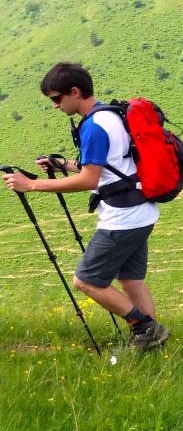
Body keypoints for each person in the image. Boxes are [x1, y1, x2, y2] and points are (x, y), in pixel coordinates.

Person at [2, 63, 169, 350]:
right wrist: (63, 164)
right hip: (142, 210)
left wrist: (30, 185)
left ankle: (145, 328)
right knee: (131, 279)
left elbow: (89, 179)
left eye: (56, 99)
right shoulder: (111, 115)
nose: (55, 106)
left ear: (74, 92)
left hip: (121, 219)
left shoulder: (93, 126)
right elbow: (109, 167)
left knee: (86, 281)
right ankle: (152, 344)